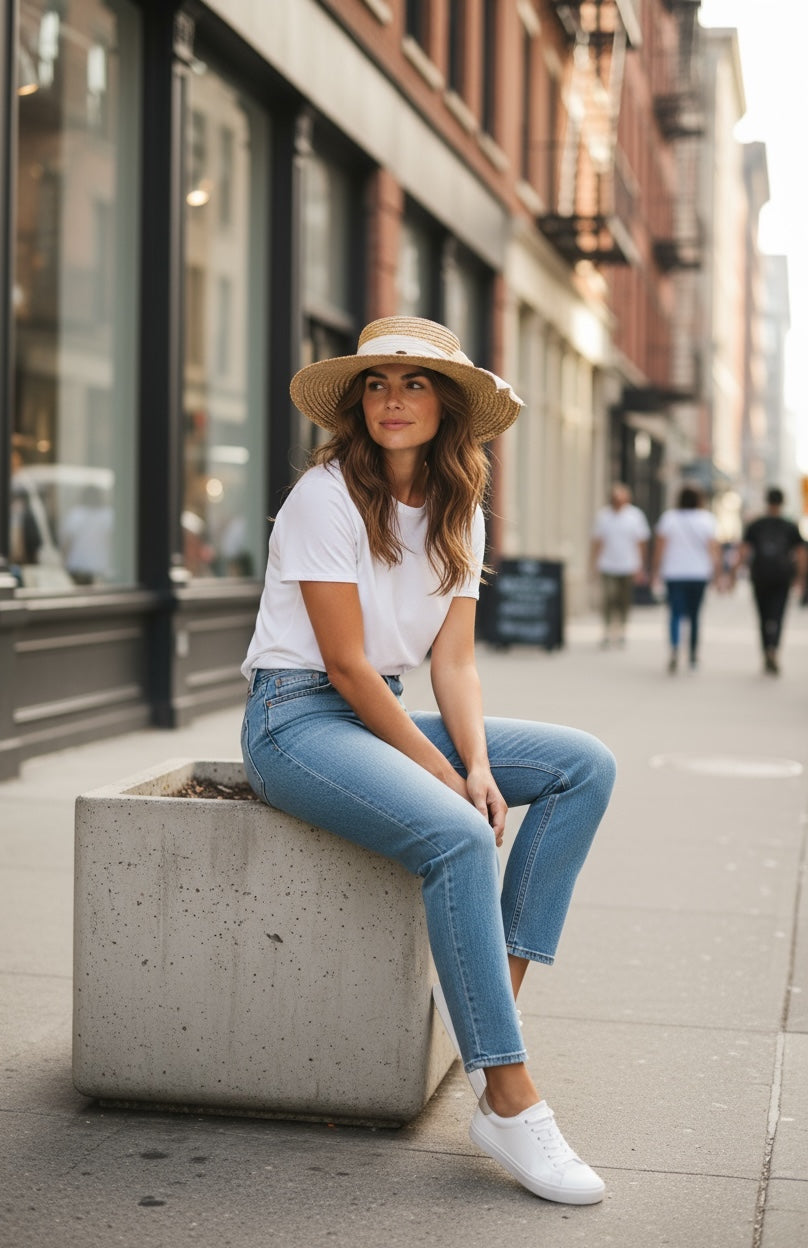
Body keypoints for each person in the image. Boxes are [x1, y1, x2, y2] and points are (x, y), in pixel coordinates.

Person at [240, 316, 616, 1205]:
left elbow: (455, 664)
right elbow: (345, 666)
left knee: (584, 766)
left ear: (447, 404)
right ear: (356, 403)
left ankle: (490, 1010)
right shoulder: (324, 496)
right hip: (296, 721)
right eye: (376, 383)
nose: (393, 400)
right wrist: (445, 780)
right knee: (458, 832)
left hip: (380, 713)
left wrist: (476, 761)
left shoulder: (459, 510)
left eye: (414, 383)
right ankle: (507, 1097)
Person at [735, 487, 807, 674]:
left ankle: (766, 650)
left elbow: (743, 551)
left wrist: (734, 574)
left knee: (763, 616)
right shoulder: (790, 526)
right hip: (782, 577)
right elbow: (801, 553)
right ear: (782, 503)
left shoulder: (756, 525)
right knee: (778, 615)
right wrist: (800, 577)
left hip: (760, 576)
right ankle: (774, 649)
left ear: (766, 502)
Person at [653, 484, 721, 673]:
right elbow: (713, 549)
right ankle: (692, 655)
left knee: (675, 613)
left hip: (674, 573)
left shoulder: (669, 518)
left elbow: (660, 548)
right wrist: (718, 574)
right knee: (695, 615)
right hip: (698, 574)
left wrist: (655, 570)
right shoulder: (707, 519)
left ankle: (675, 649)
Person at [590, 483, 650, 647]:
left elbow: (641, 542)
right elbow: (597, 541)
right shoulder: (603, 516)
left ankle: (621, 628)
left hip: (628, 565)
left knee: (624, 600)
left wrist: (641, 566)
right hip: (607, 564)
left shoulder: (635, 516)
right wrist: (593, 563)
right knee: (608, 598)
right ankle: (607, 629)